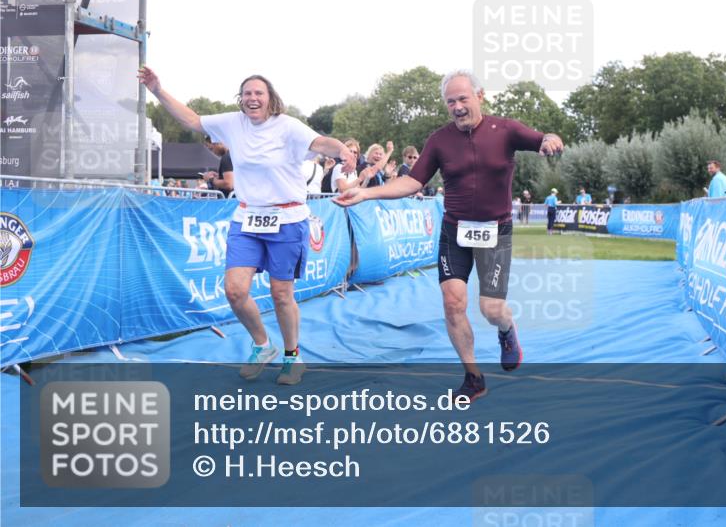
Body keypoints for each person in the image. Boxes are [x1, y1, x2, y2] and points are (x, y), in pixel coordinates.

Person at [336, 69, 563, 403]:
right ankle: (473, 378)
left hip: (495, 232)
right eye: (450, 101)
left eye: (463, 99)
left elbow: (543, 137)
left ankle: (506, 329)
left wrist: (549, 140)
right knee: (453, 302)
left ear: (480, 96)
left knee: (491, 309)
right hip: (454, 231)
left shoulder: (505, 129)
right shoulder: (440, 140)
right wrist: (366, 194)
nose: (457, 107)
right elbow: (413, 181)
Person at [138, 66, 355, 385]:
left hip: (287, 218)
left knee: (281, 294)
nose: (253, 98)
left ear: (270, 98)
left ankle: (292, 357)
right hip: (247, 218)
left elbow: (322, 142)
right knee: (235, 291)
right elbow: (192, 120)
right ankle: (262, 345)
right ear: (241, 99)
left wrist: (343, 150)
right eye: (247, 94)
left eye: (259, 93)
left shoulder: (288, 127)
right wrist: (157, 89)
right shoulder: (232, 123)